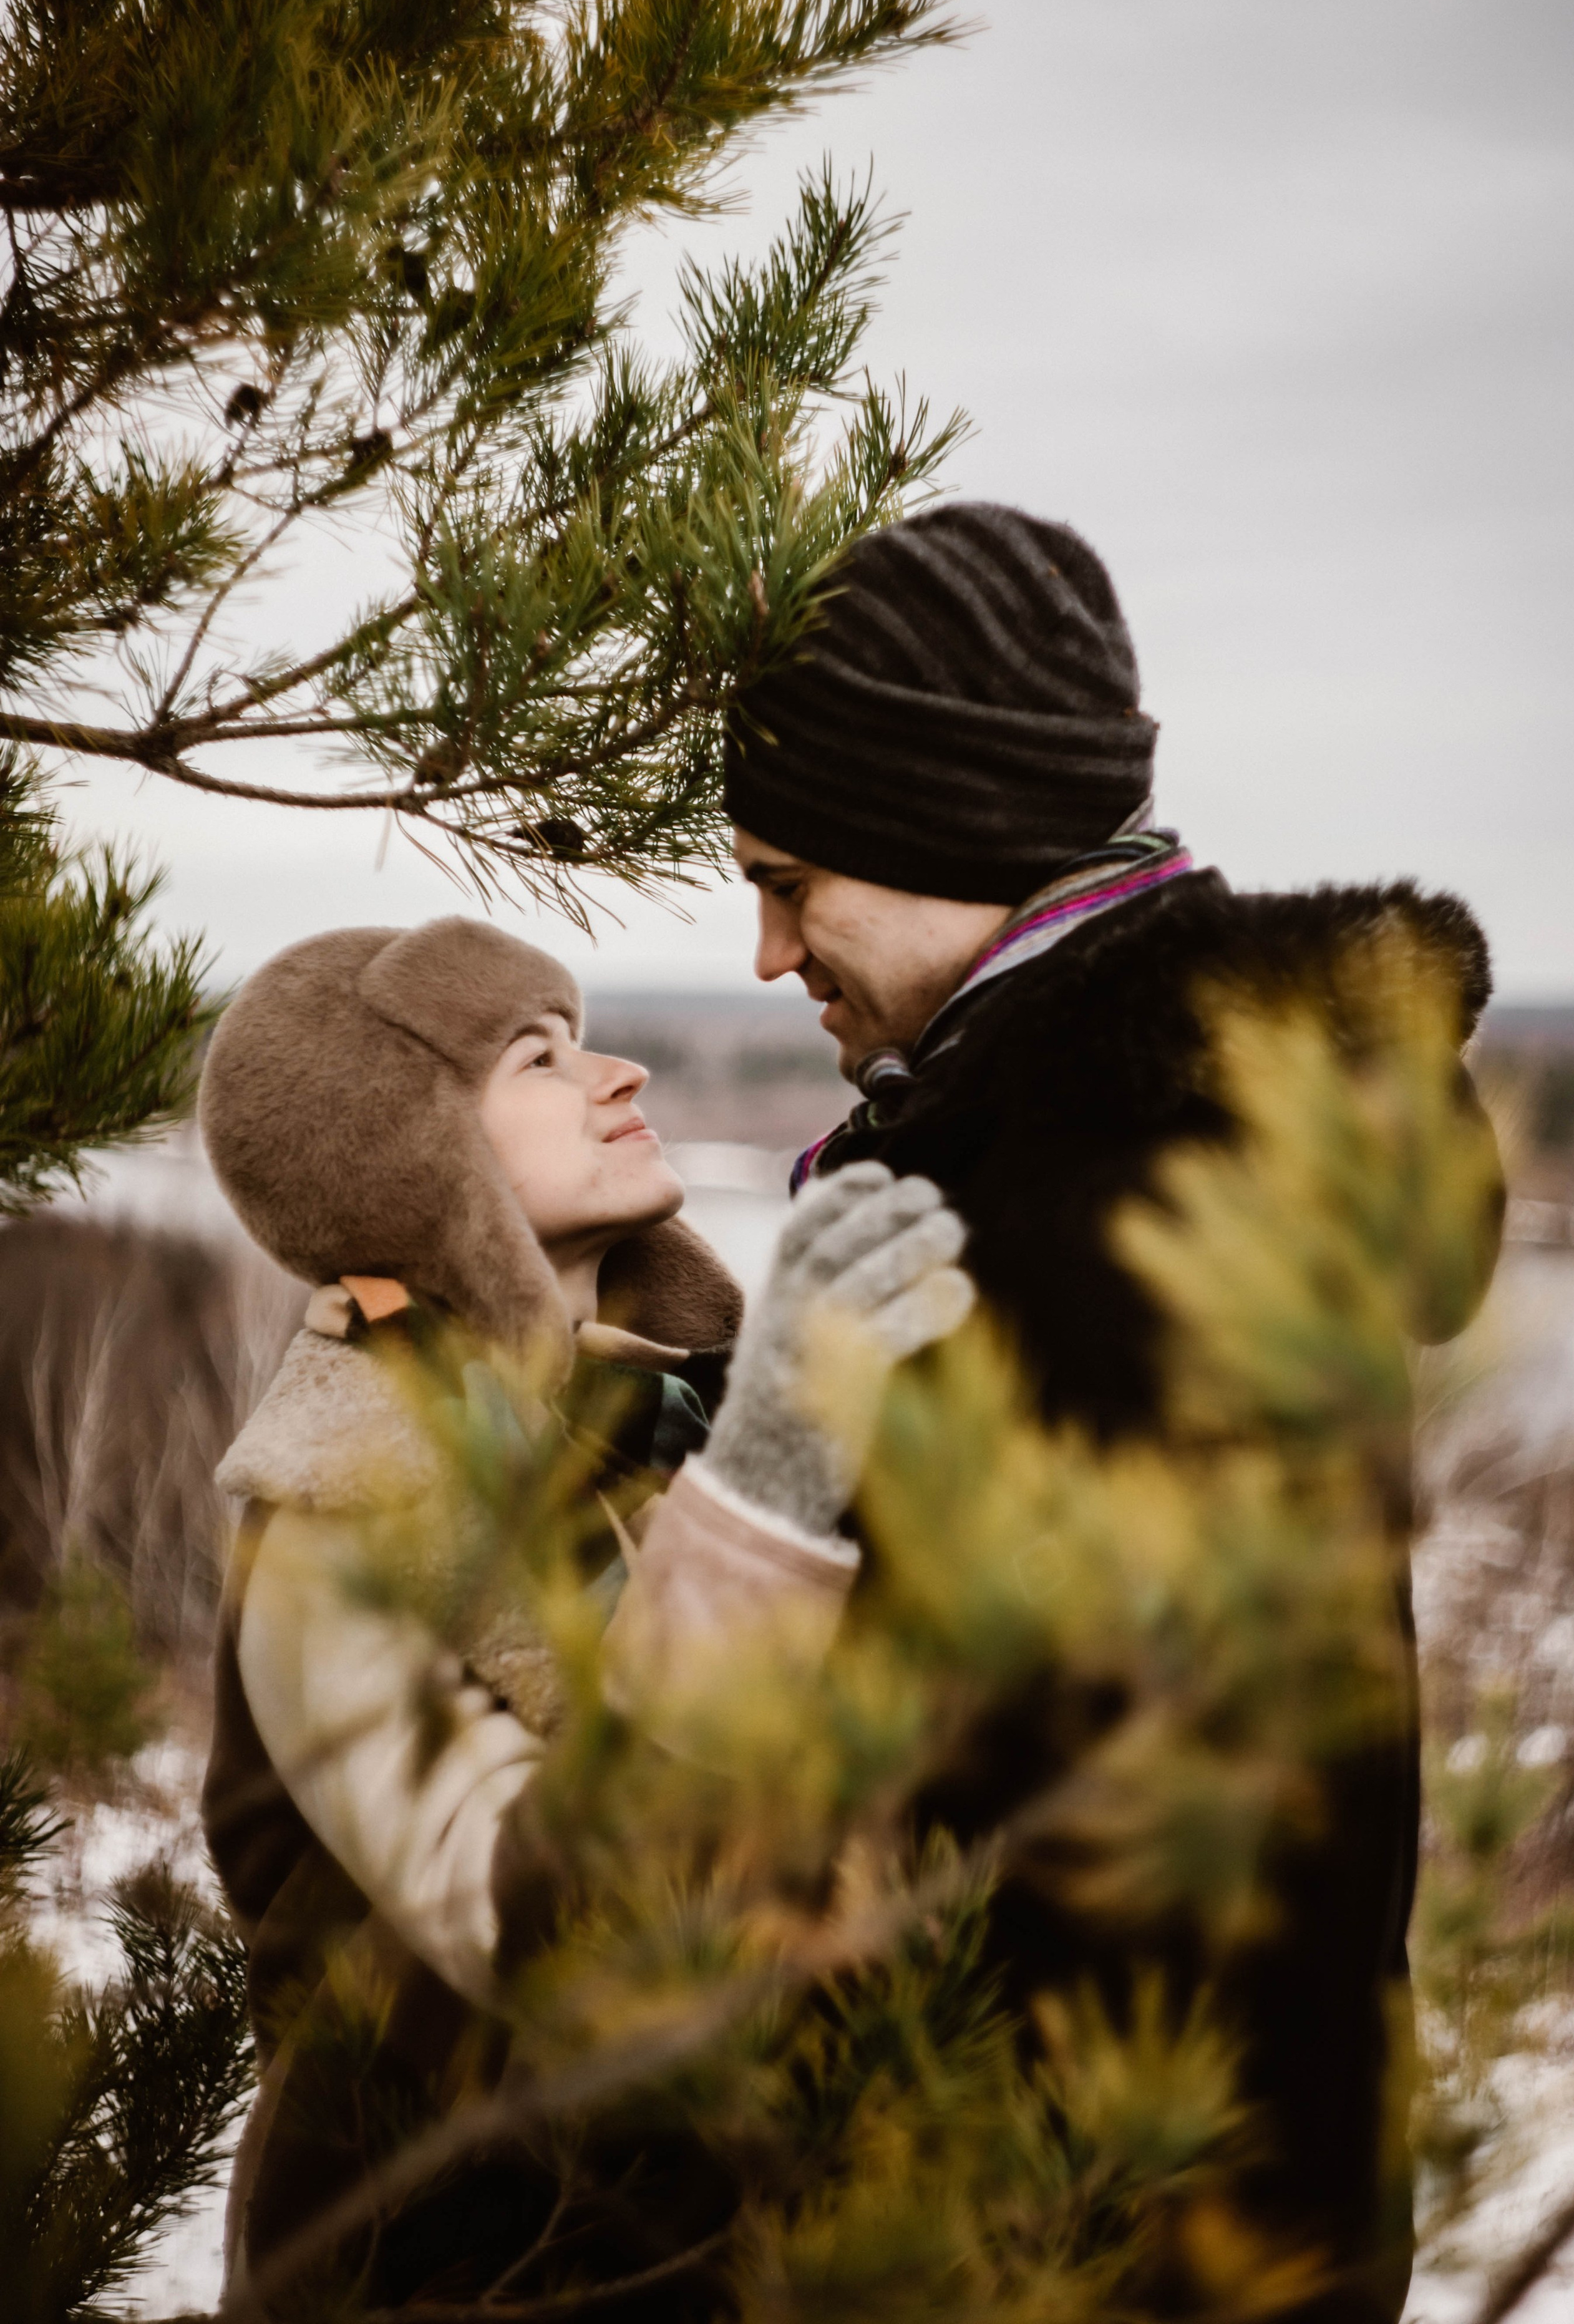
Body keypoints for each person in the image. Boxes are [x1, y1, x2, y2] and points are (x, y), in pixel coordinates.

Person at [724, 502, 1505, 2323]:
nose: (768, 950)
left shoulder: (1106, 1209)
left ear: (950, 836)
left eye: (790, 879)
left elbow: (1037, 1855)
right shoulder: (1151, 1144)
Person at [198, 915, 971, 2312]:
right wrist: (776, 1493)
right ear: (402, 1146)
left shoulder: (667, 1422)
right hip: (461, 2280)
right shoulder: (337, 1521)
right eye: (537, 1059)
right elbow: (562, 1948)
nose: (621, 1075)